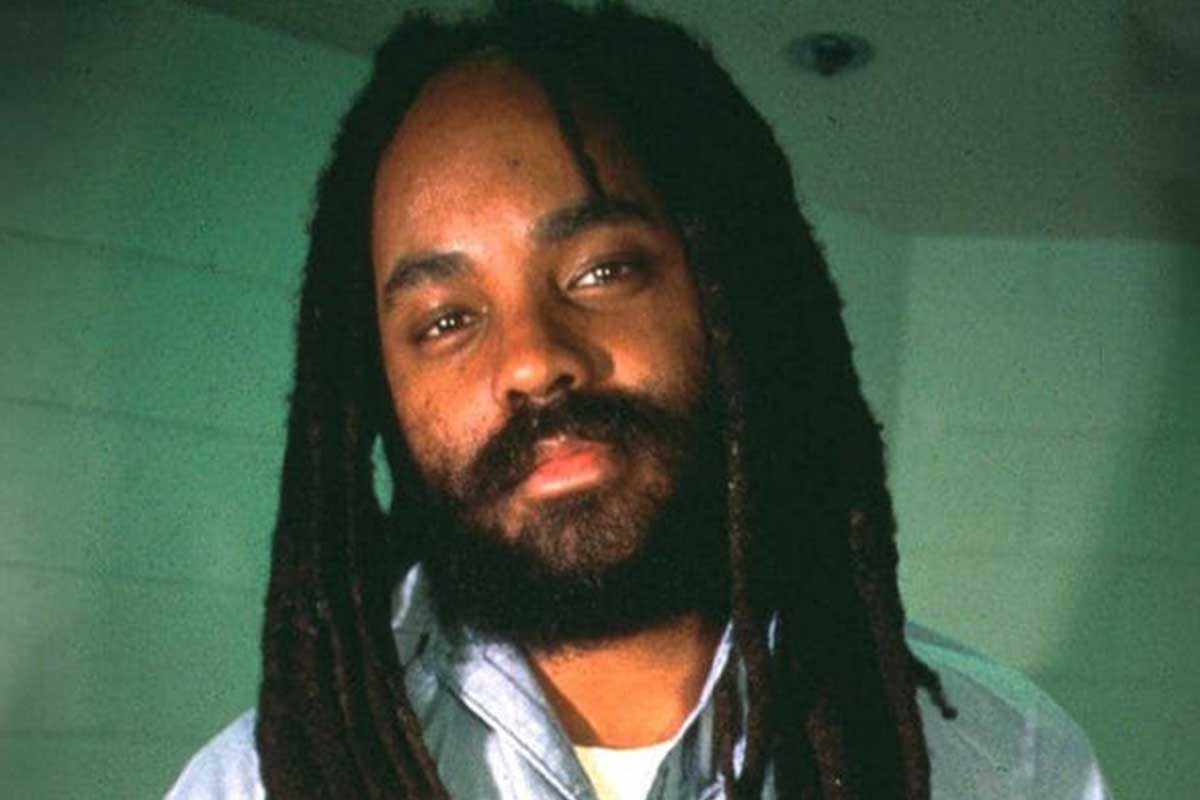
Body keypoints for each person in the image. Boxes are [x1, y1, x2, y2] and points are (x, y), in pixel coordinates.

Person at [168, 2, 1109, 798]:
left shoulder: (1013, 767)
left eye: (601, 270)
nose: (533, 361)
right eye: (447, 320)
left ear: (724, 295)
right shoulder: (250, 787)